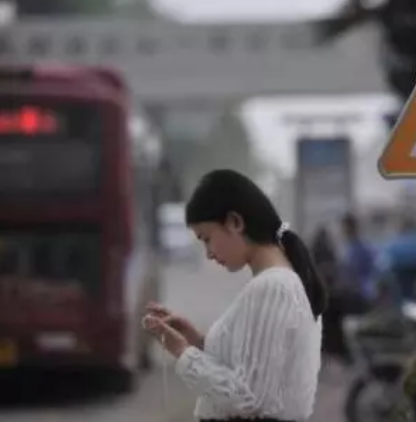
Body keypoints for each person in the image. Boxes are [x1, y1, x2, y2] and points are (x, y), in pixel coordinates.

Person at [141, 169, 328, 422]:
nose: (208, 253)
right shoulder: (280, 282)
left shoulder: (273, 287)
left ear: (235, 222)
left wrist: (182, 352)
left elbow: (248, 398)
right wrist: (197, 341)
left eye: (207, 238)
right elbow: (253, 370)